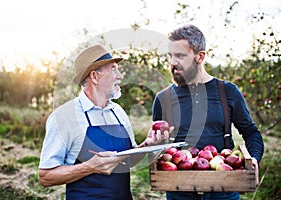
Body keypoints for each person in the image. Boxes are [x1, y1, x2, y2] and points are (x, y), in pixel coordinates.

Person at [38, 44, 169, 199]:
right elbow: (45, 176)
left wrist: (147, 145)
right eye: (113, 69)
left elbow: (127, 160)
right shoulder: (64, 117)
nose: (120, 76)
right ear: (94, 76)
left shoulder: (118, 112)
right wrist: (90, 167)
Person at [152, 25, 264, 200]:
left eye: (180, 55)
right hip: (180, 192)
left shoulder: (228, 92)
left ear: (200, 56)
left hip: (224, 190)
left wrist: (254, 159)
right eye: (170, 55)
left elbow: (251, 133)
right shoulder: (163, 99)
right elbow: (157, 146)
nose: (173, 62)